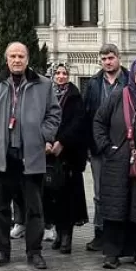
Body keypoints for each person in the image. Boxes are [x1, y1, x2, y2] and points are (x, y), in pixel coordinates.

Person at [0, 42, 60, 269]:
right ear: (7, 59)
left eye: (21, 56)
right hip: (4, 155)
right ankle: (2, 250)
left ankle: (34, 252)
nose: (17, 60)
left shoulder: (43, 84)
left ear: (27, 59)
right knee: (1, 206)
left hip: (32, 155)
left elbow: (54, 113)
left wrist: (43, 135)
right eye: (13, 56)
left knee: (34, 206)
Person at [93, 57, 136, 268]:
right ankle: (112, 253)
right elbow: (99, 121)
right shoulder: (117, 95)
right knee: (116, 207)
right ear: (133, 73)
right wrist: (106, 147)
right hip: (117, 161)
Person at [82, 44, 129, 252]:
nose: (107, 62)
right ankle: (100, 233)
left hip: (124, 146)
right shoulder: (93, 83)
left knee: (123, 191)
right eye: (103, 59)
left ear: (118, 58)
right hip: (98, 147)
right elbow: (87, 114)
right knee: (100, 192)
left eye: (110, 58)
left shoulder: (128, 81)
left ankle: (123, 237)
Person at [43, 64, 89, 256]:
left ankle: (67, 236)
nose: (61, 77)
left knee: (68, 197)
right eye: (58, 73)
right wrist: (46, 140)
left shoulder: (75, 96)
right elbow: (41, 119)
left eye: (65, 74)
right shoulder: (46, 94)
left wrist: (62, 141)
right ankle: (58, 234)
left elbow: (78, 123)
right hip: (49, 155)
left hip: (69, 155)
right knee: (52, 196)